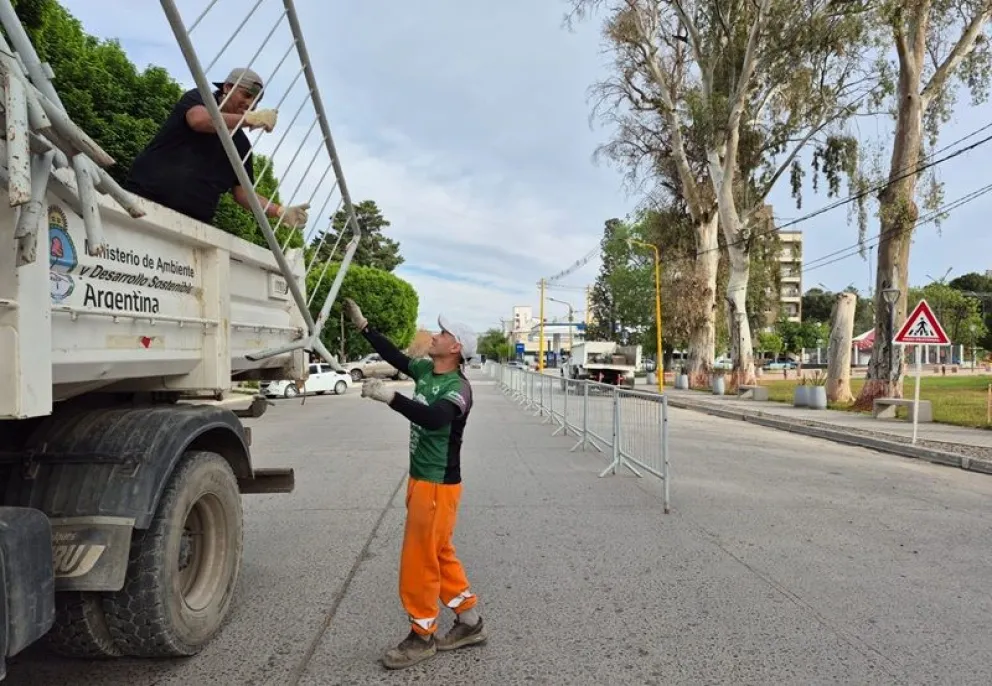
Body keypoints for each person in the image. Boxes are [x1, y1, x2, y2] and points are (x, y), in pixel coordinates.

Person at [342, 298, 487, 670]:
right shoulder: (426, 370)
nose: (434, 336)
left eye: (442, 333)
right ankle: (469, 623)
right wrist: (365, 327)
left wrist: (390, 397)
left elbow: (436, 418)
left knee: (419, 559)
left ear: (455, 348)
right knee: (438, 552)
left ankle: (422, 636)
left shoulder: (458, 387)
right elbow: (393, 355)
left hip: (438, 485)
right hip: (421, 481)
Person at [124, 67, 309, 230]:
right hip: (142, 199)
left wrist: (278, 211)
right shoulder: (200, 98)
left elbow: (242, 193)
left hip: (194, 223)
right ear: (227, 87)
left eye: (256, 100)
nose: (250, 103)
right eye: (246, 95)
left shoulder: (242, 144)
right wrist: (251, 119)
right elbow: (199, 120)